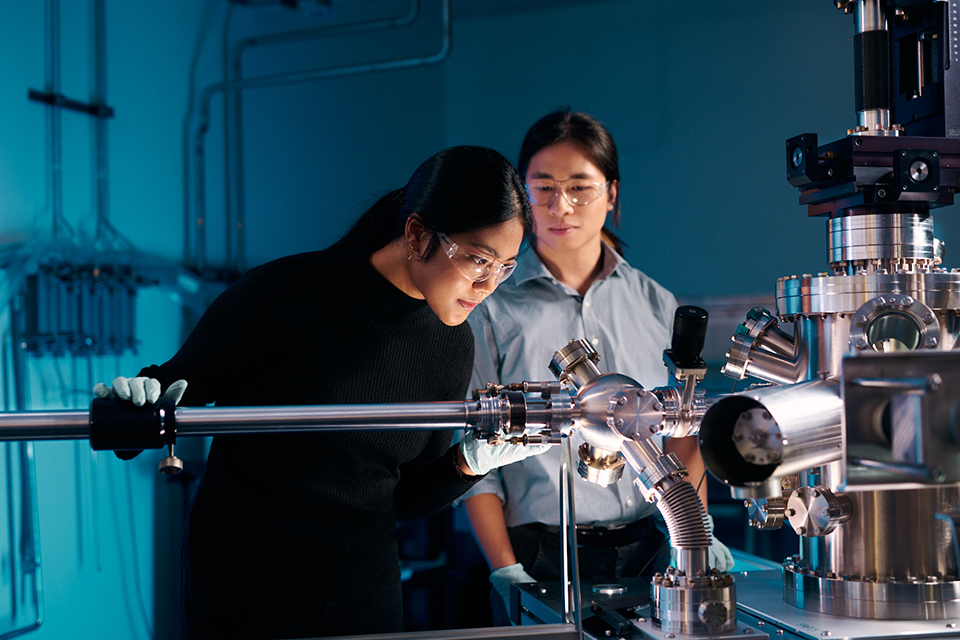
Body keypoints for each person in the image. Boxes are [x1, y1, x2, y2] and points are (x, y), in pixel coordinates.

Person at [94, 145, 550, 639]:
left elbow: (403, 497)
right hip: (243, 582)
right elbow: (169, 397)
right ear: (417, 234)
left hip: (360, 592)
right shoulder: (286, 292)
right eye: (479, 259)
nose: (488, 285)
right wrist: (138, 403)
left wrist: (468, 463)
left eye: (504, 267)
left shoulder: (452, 343)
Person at [462, 111, 733, 625]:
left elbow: (682, 436)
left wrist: (694, 533)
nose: (560, 206)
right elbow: (474, 453)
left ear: (611, 194)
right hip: (537, 553)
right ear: (522, 196)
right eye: (542, 188)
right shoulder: (492, 307)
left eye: (580, 188)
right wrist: (506, 568)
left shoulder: (655, 302)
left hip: (651, 548)